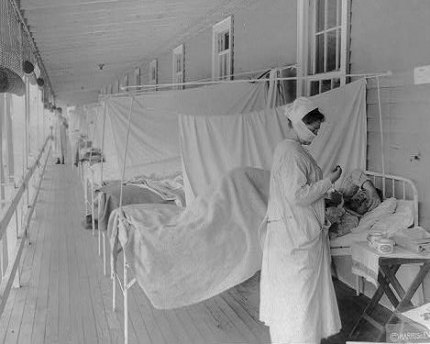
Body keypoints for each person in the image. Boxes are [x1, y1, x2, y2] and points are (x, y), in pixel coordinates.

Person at [259, 97, 342, 343]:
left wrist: (325, 198)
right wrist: (330, 180)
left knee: (298, 298)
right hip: (293, 238)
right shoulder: (290, 152)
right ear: (302, 125)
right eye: (314, 129)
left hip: (294, 232)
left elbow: (297, 192)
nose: (316, 135)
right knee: (298, 298)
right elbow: (297, 195)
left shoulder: (292, 150)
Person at [326, 169, 382, 238]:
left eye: (366, 202)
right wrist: (372, 190)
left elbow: (329, 233)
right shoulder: (345, 194)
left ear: (368, 211)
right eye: (362, 194)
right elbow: (354, 174)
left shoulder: (352, 221)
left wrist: (338, 211)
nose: (361, 199)